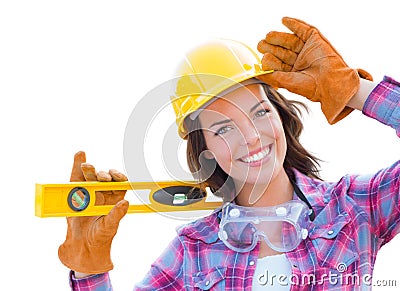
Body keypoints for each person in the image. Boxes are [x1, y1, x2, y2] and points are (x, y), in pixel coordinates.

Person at [59, 17, 400, 290]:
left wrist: (354, 90)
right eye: (223, 129)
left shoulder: (354, 207)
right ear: (204, 148)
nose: (251, 137)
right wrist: (90, 270)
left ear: (280, 114)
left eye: (260, 112)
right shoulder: (193, 250)